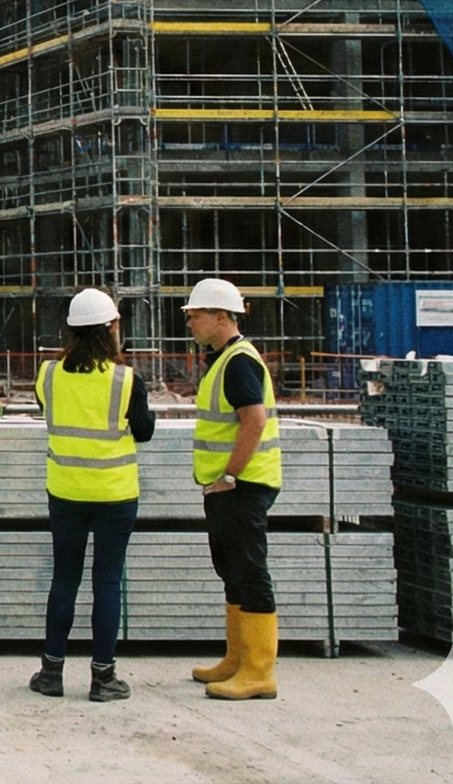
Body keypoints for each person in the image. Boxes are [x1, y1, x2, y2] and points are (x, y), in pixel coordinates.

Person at [29, 288, 154, 703]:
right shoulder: (126, 379)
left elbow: (48, 409)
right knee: (107, 582)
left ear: (70, 330)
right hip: (115, 494)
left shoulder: (47, 374)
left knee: (64, 580)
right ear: (112, 327)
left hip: (65, 492)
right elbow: (144, 431)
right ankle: (103, 678)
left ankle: (51, 673)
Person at [184, 277, 283, 701]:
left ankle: (258, 670)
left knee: (249, 572)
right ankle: (236, 659)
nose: (189, 322)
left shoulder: (239, 361)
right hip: (228, 486)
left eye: (195, 315)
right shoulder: (223, 359)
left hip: (242, 485)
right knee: (232, 572)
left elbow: (254, 420)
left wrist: (230, 475)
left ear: (221, 317)